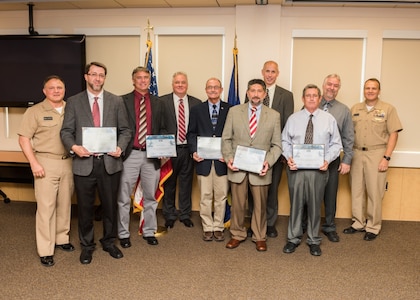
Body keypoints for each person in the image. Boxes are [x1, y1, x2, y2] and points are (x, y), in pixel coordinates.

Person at [61, 62, 132, 264]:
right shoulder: (74, 102)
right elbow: (66, 131)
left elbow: (126, 130)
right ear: (86, 77)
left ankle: (109, 242)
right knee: (85, 208)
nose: (97, 78)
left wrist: (120, 147)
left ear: (104, 78)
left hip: (110, 162)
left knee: (110, 206)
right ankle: (87, 246)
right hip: (84, 163)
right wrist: (75, 147)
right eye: (93, 74)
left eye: (101, 75)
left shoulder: (116, 101)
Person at [18, 75, 74, 267]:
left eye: (60, 87)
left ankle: (61, 238)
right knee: (46, 207)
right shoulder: (35, 111)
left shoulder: (72, 108)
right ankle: (45, 249)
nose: (56, 91)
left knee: (65, 204)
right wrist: (33, 163)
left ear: (64, 90)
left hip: (68, 162)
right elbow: (24, 139)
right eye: (52, 88)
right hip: (45, 162)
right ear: (44, 91)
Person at [222, 79, 282, 252]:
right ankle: (237, 234)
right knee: (238, 204)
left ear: (264, 94)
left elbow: (277, 145)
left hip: (260, 169)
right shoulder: (234, 112)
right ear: (247, 93)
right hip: (237, 167)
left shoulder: (274, 115)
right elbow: (226, 139)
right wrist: (229, 158)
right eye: (252, 90)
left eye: (259, 91)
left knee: (260, 205)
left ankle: (259, 236)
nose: (255, 94)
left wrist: (268, 162)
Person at [282, 84, 342, 256]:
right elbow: (284, 141)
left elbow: (337, 144)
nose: (311, 98)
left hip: (319, 170)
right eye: (308, 95)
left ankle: (314, 240)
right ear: (303, 99)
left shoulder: (328, 119)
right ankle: (293, 239)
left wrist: (327, 160)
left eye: (315, 95)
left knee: (316, 205)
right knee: (296, 205)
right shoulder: (293, 119)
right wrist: (289, 157)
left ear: (320, 98)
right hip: (296, 169)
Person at [344, 78, 402, 241]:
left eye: (373, 88)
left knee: (375, 191)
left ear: (379, 91)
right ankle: (358, 223)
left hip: (377, 153)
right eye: (367, 88)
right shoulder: (355, 108)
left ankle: (373, 226)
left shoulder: (388, 109)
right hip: (356, 153)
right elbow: (348, 133)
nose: (370, 91)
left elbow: (394, 133)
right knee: (356, 190)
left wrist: (386, 157)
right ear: (364, 90)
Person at [245, 60, 294, 238]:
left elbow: (287, 125)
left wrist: (282, 151)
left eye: (273, 71)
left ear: (277, 73)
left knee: (271, 190)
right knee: (253, 189)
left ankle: (270, 223)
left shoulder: (286, 95)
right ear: (262, 71)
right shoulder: (253, 92)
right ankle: (254, 222)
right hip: (253, 152)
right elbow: (245, 121)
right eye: (267, 71)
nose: (270, 74)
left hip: (275, 152)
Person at [117, 67, 163, 247]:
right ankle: (123, 233)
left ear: (150, 80)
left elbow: (166, 129)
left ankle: (149, 231)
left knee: (151, 195)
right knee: (123, 196)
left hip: (152, 155)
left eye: (146, 77)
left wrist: (163, 148)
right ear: (133, 80)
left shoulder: (159, 103)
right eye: (139, 78)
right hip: (130, 154)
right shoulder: (122, 101)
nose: (143, 80)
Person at [187, 78, 232, 242]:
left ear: (220, 90)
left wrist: (228, 154)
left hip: (221, 161)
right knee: (205, 196)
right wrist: (193, 151)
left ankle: (218, 227)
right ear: (206, 90)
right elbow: (191, 134)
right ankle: (207, 226)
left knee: (221, 196)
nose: (213, 90)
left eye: (216, 87)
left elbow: (233, 135)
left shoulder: (230, 109)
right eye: (210, 87)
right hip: (203, 160)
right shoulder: (197, 109)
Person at [160, 72, 201, 228]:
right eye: (177, 82)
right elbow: (159, 126)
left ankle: (185, 214)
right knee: (169, 183)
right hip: (170, 149)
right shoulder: (162, 101)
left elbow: (198, 128)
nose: (180, 85)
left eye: (183, 82)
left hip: (188, 149)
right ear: (172, 84)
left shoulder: (196, 103)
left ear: (187, 84)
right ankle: (169, 215)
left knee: (186, 183)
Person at [318, 74, 354, 242]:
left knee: (330, 194)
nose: (332, 88)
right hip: (310, 158)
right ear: (323, 85)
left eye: (336, 86)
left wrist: (347, 160)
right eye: (329, 84)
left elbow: (348, 138)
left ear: (338, 89)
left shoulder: (343, 110)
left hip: (332, 160)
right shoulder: (311, 102)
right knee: (308, 193)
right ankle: (305, 225)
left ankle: (329, 226)